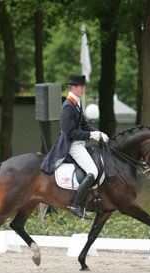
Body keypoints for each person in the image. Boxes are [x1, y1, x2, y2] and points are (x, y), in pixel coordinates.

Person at [41, 74, 109, 219]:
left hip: (79, 143)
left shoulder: (76, 104)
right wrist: (91, 136)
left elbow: (83, 125)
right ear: (74, 87)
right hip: (71, 145)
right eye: (81, 87)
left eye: (84, 86)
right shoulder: (68, 106)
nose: (83, 89)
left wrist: (97, 133)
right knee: (93, 170)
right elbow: (69, 132)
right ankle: (76, 205)